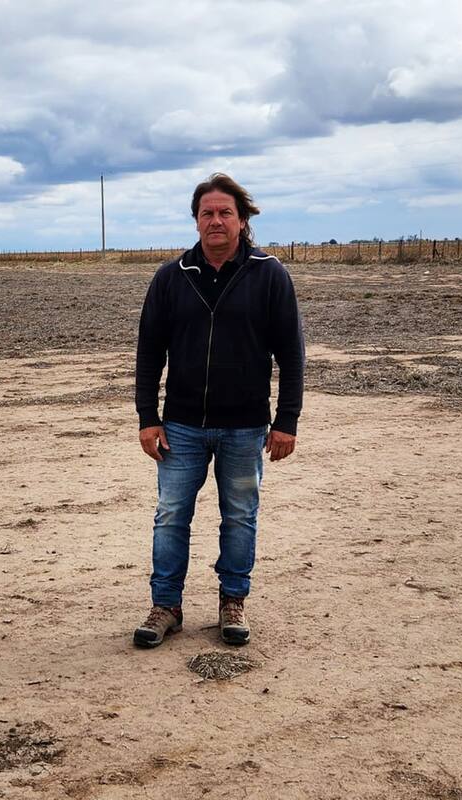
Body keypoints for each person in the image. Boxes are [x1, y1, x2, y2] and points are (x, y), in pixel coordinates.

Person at [131, 173, 304, 648]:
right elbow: (149, 354)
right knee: (170, 515)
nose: (216, 221)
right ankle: (165, 605)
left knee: (240, 516)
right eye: (207, 213)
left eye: (225, 212)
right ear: (195, 220)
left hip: (246, 426)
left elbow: (291, 354)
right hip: (181, 426)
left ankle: (232, 601)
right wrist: (148, 418)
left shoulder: (269, 275)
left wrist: (285, 421)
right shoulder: (171, 278)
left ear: (243, 220)